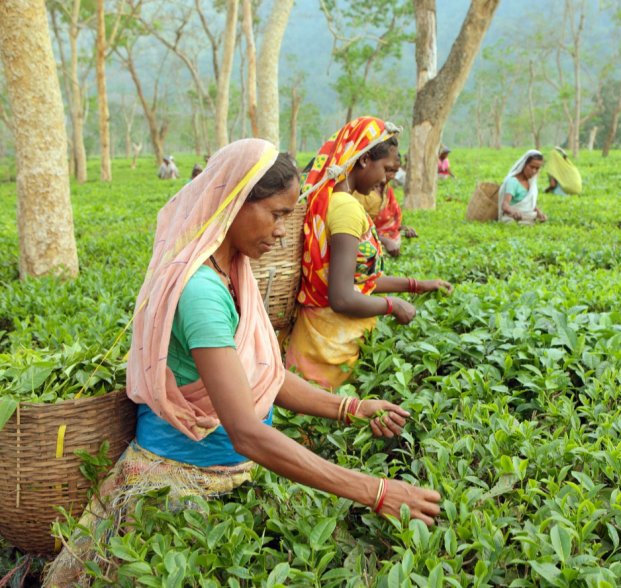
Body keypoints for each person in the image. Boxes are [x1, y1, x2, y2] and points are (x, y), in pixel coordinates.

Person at [43, 138, 441, 586]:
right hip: (179, 481)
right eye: (276, 214)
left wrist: (349, 407)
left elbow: (262, 377)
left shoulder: (232, 270)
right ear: (233, 202)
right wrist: (377, 491)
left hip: (232, 473)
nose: (280, 230)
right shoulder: (201, 292)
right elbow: (247, 432)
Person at [286, 117, 452, 390]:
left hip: (329, 342)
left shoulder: (340, 203)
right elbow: (341, 297)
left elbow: (359, 281)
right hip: (327, 350)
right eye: (385, 168)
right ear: (363, 160)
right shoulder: (345, 208)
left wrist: (418, 286)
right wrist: (393, 305)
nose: (386, 178)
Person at [353, 153, 418, 257]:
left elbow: (391, 220)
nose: (392, 176)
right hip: (369, 245)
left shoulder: (387, 189)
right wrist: (385, 241)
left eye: (395, 171)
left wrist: (403, 228)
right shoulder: (362, 193)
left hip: (393, 242)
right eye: (388, 170)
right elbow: (357, 232)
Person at [499, 150, 548, 225]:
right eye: (531, 167)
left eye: (537, 168)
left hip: (528, 217)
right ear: (524, 165)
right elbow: (505, 205)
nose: (534, 171)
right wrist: (512, 212)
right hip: (512, 218)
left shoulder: (531, 183)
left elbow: (530, 204)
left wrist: (539, 212)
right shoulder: (513, 182)